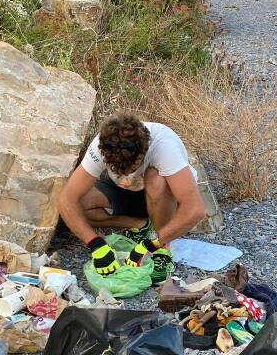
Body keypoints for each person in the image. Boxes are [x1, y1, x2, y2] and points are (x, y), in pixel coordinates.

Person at [57, 111, 207, 286]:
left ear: (144, 150)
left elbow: (195, 210)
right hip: (126, 194)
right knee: (81, 203)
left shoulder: (164, 146)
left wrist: (152, 244)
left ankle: (163, 250)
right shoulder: (101, 145)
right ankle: (139, 225)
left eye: (131, 166)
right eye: (117, 167)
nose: (126, 173)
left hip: (162, 197)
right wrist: (95, 243)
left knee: (156, 179)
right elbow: (66, 200)